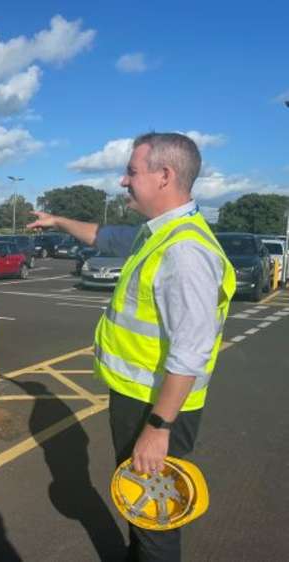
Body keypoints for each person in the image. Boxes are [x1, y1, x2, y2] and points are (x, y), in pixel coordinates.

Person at [28, 132, 236, 562]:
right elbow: (103, 236)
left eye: (131, 171)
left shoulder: (185, 253)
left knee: (154, 516)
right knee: (138, 507)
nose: (123, 181)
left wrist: (157, 429)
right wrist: (59, 221)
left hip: (157, 408)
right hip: (140, 400)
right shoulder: (157, 233)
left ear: (164, 175)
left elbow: (190, 352)